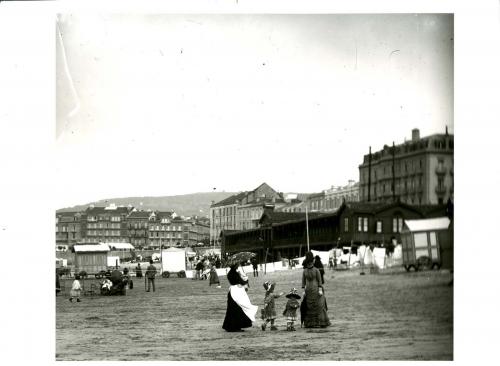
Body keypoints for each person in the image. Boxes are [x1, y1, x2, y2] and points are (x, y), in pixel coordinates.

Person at [222, 262, 258, 332]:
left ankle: (230, 326)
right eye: (237, 265)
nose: (238, 265)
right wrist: (246, 279)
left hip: (232, 291)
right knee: (238, 308)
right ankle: (235, 326)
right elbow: (241, 282)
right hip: (237, 292)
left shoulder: (230, 273)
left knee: (231, 309)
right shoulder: (235, 273)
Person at [301, 251, 325, 328]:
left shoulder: (316, 270)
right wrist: (303, 290)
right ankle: (310, 323)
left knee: (318, 305)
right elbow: (303, 281)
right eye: (308, 263)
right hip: (308, 290)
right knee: (309, 306)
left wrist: (320, 288)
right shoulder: (305, 271)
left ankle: (320, 322)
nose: (309, 264)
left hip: (316, 289)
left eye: (310, 262)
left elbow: (319, 280)